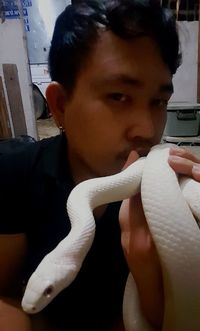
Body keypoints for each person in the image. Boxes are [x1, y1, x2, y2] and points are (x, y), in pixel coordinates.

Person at [0, 1, 200, 330]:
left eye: (159, 101)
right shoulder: (14, 175)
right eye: (119, 96)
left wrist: (148, 273)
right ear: (61, 106)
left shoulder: (176, 189)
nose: (148, 130)